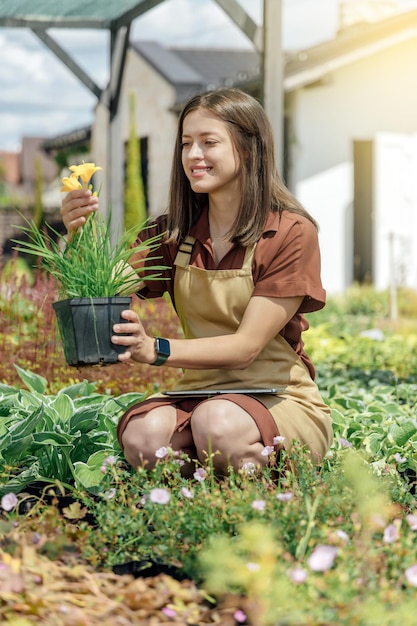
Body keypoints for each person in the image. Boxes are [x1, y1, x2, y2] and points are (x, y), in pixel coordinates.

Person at [61, 88, 333, 476]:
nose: (193, 155)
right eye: (187, 143)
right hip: (198, 390)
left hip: (276, 393)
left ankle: (266, 508)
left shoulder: (289, 232)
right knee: (142, 438)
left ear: (249, 149)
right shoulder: (174, 232)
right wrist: (77, 235)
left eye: (209, 142)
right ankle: (197, 508)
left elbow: (245, 348)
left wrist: (154, 349)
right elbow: (101, 286)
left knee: (216, 424)